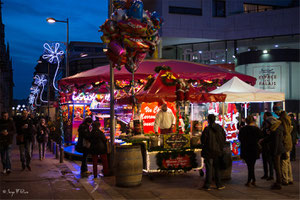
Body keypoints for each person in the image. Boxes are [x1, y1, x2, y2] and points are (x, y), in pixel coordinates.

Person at [201, 114, 226, 190]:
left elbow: (203, 140)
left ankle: (207, 185)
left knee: (209, 168)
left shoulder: (207, 129)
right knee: (217, 168)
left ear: (208, 120)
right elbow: (224, 138)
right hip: (218, 151)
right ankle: (219, 184)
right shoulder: (220, 128)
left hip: (209, 151)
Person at [238, 115, 263, 187]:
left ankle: (250, 180)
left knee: (249, 165)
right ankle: (252, 180)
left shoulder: (243, 129)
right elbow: (261, 136)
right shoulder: (256, 129)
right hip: (254, 148)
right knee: (252, 165)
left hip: (246, 149)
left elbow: (240, 138)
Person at [263, 116, 285, 190]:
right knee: (277, 167)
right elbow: (271, 138)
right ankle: (278, 181)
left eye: (267, 123)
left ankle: (278, 182)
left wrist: (274, 153)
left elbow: (276, 142)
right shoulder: (275, 128)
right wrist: (263, 140)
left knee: (277, 167)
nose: (266, 125)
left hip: (277, 151)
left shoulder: (276, 130)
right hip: (277, 150)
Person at [279, 111, 293, 186]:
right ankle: (290, 178)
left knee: (284, 162)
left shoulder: (282, 123)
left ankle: (285, 179)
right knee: (288, 162)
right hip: (289, 143)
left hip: (285, 144)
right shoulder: (289, 123)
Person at [260, 112, 274, 180]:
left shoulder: (271, 124)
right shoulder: (263, 123)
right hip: (264, 144)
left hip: (268, 145)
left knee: (270, 161)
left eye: (264, 116)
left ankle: (271, 175)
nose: (263, 117)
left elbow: (270, 135)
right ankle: (265, 174)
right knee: (264, 160)